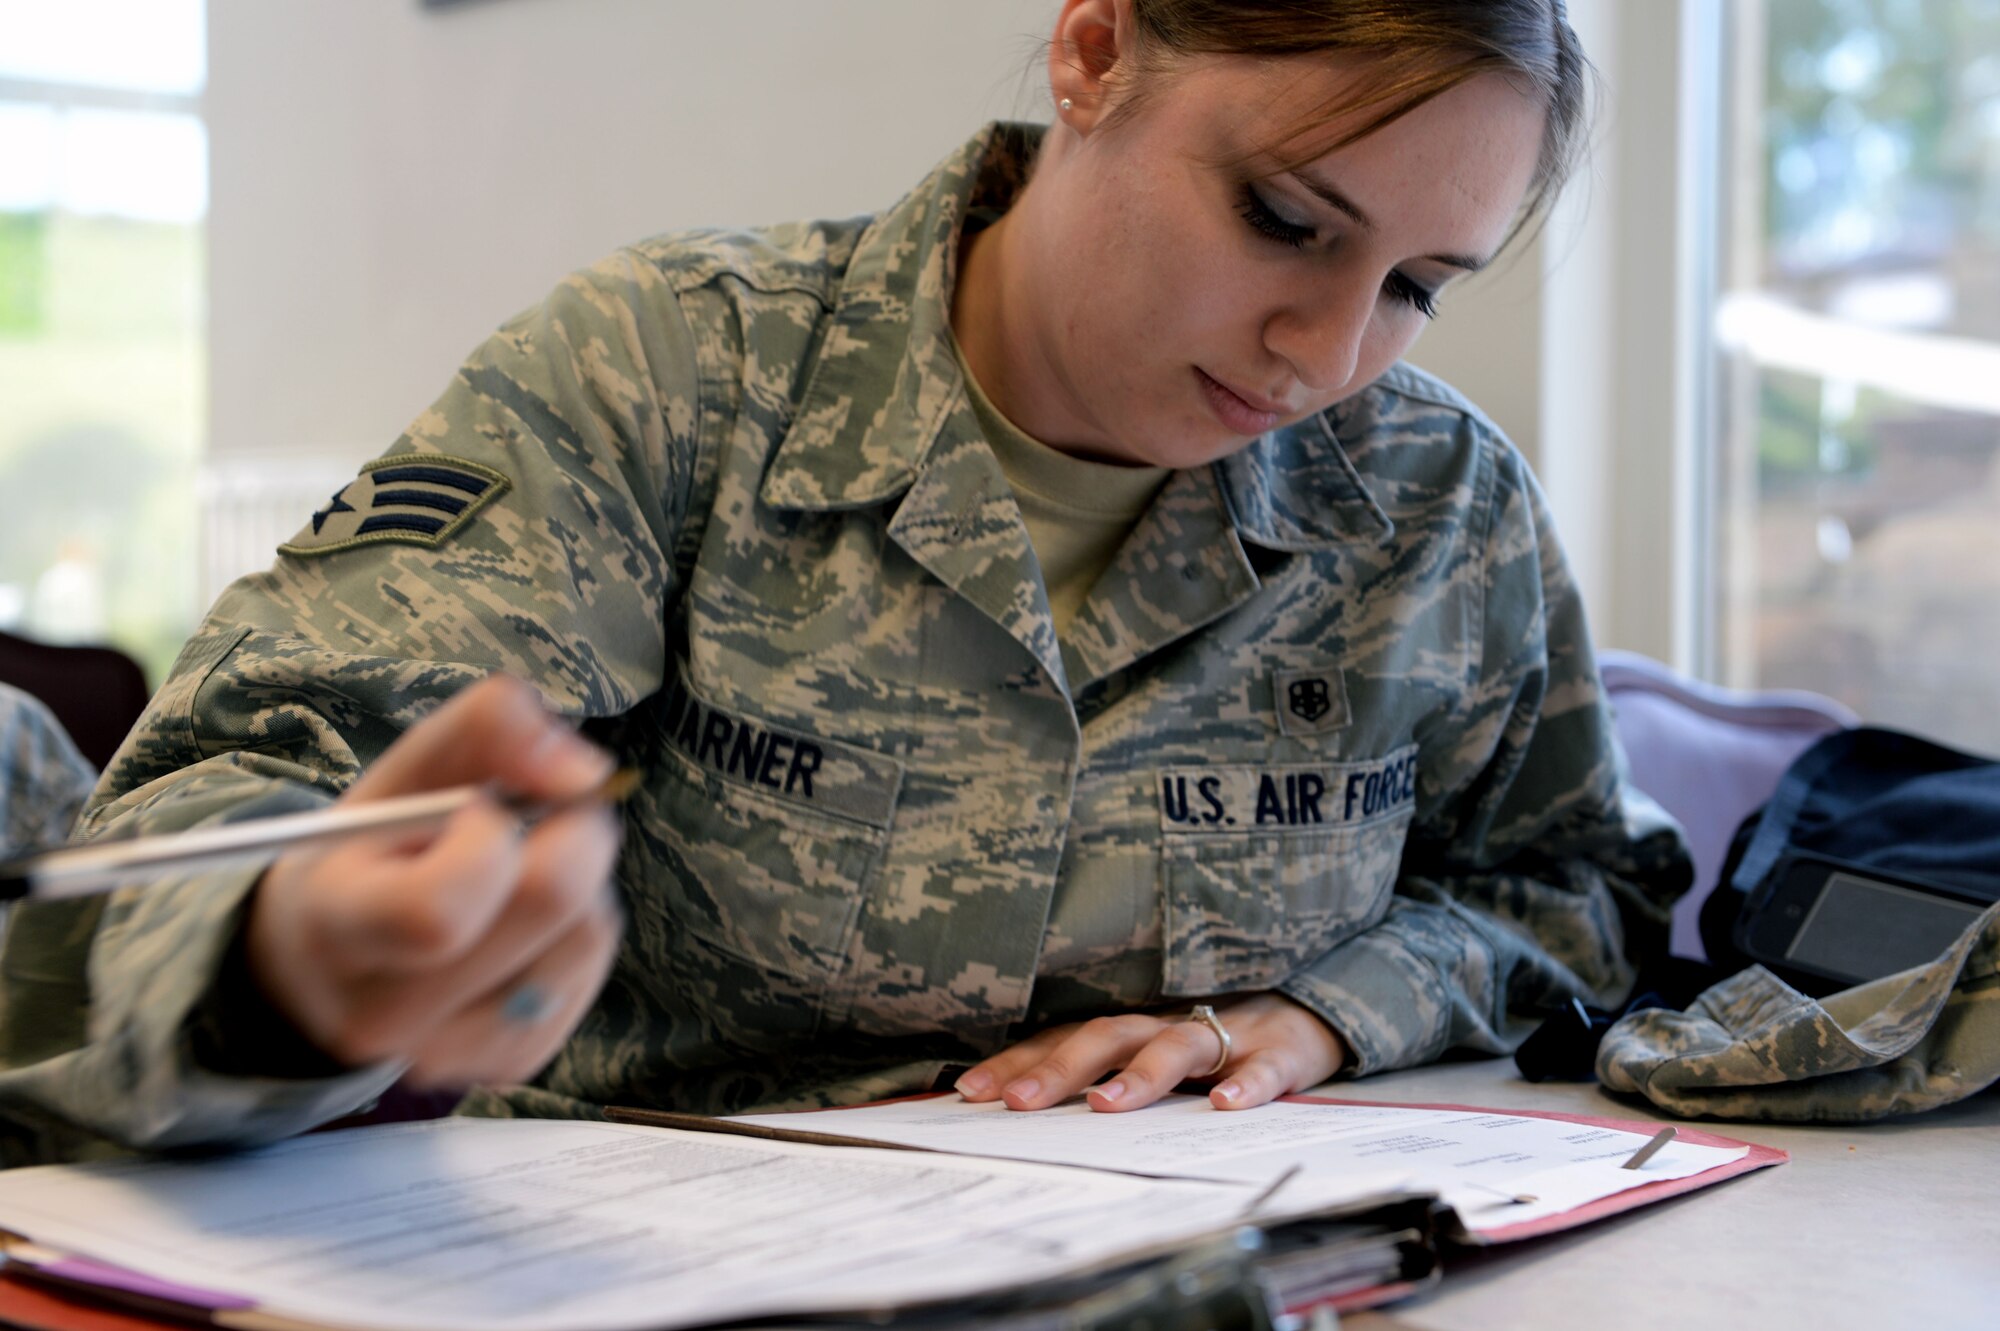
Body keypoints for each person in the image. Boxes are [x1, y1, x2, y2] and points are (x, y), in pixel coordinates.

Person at [0, 0, 1689, 1158]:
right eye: (1283, 219)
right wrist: (296, 951)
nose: (1328, 353)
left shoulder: (1434, 504)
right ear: (1096, 50)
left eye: (1420, 285)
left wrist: (1331, 1011)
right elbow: (210, 820)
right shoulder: (675, 380)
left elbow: (1576, 892)